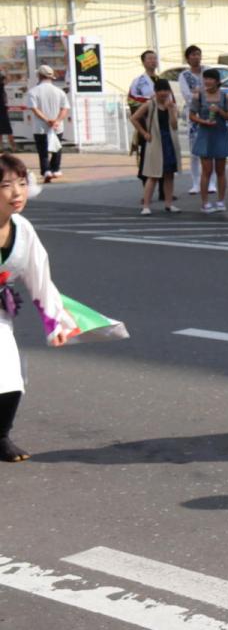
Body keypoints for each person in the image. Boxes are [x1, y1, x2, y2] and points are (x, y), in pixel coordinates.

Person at [0, 154, 90, 461]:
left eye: (22, 183)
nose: (17, 193)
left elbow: (40, 277)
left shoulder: (22, 229)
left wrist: (55, 324)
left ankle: (0, 436)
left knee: (10, 377)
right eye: (6, 185)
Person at [130, 79, 181, 215]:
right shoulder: (150, 104)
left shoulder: (172, 106)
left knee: (169, 174)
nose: (163, 93)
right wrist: (144, 133)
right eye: (160, 90)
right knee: (153, 175)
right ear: (156, 91)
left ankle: (169, 204)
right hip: (155, 142)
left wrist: (171, 110)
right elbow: (134, 118)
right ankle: (146, 205)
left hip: (169, 142)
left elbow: (174, 125)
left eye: (166, 90)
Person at [189, 68, 228, 214]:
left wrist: (220, 111)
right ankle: (205, 203)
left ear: (217, 81)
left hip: (221, 134)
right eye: (205, 79)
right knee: (206, 171)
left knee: (221, 170)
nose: (207, 81)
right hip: (204, 135)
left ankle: (221, 201)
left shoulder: (225, 97)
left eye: (210, 79)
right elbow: (191, 115)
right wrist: (203, 121)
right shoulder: (199, 97)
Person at [26, 65, 68, 182]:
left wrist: (47, 120)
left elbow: (34, 109)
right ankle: (56, 169)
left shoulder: (33, 91)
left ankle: (46, 171)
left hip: (40, 127)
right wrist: (57, 121)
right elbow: (64, 109)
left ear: (39, 75)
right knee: (57, 147)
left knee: (43, 150)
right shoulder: (59, 92)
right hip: (57, 126)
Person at [177, 45, 210, 195]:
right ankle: (196, 183)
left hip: (210, 112)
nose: (196, 57)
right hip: (194, 115)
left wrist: (199, 93)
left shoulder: (208, 71)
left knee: (211, 149)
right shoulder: (184, 75)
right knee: (195, 151)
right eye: (193, 55)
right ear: (187, 58)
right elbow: (187, 95)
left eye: (198, 54)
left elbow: (215, 89)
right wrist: (200, 94)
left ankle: (212, 182)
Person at [128, 50, 158, 189]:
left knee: (161, 157)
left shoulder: (160, 80)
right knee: (146, 157)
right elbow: (132, 101)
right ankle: (146, 188)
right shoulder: (138, 82)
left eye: (154, 58)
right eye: (149, 58)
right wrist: (150, 102)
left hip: (160, 123)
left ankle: (164, 190)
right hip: (146, 124)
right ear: (144, 62)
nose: (153, 61)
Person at [0, 70, 13, 152]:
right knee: (8, 130)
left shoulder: (1, 85)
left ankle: (1, 147)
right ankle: (13, 146)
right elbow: (8, 79)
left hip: (2, 108)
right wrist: (5, 71)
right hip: (3, 109)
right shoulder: (1, 86)